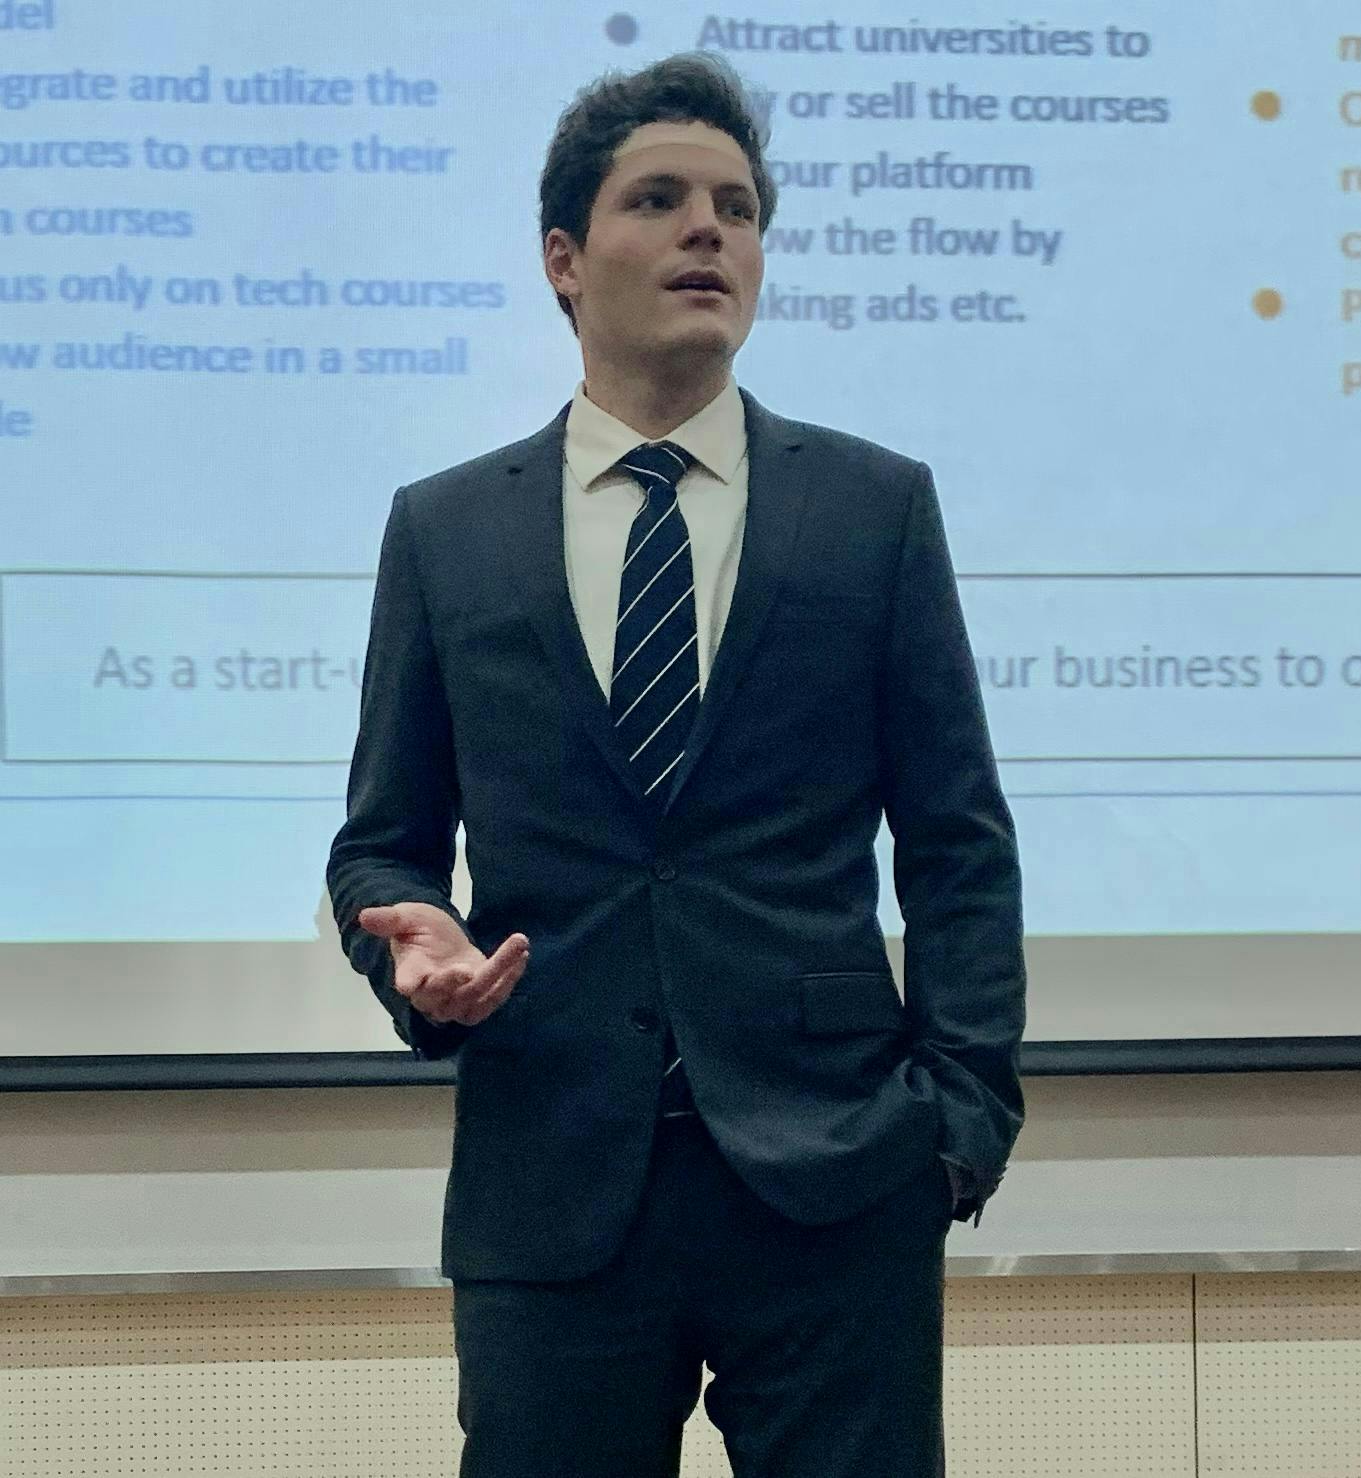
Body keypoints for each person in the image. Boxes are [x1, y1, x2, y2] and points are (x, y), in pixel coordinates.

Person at [326, 50, 1026, 1478]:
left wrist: (958, 1120)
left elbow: (958, 838)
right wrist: (407, 944)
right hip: (553, 1170)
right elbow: (381, 842)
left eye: (740, 205)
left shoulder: (874, 510)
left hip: (836, 1175)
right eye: (663, 199)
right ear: (565, 260)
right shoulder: (446, 531)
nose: (713, 229)